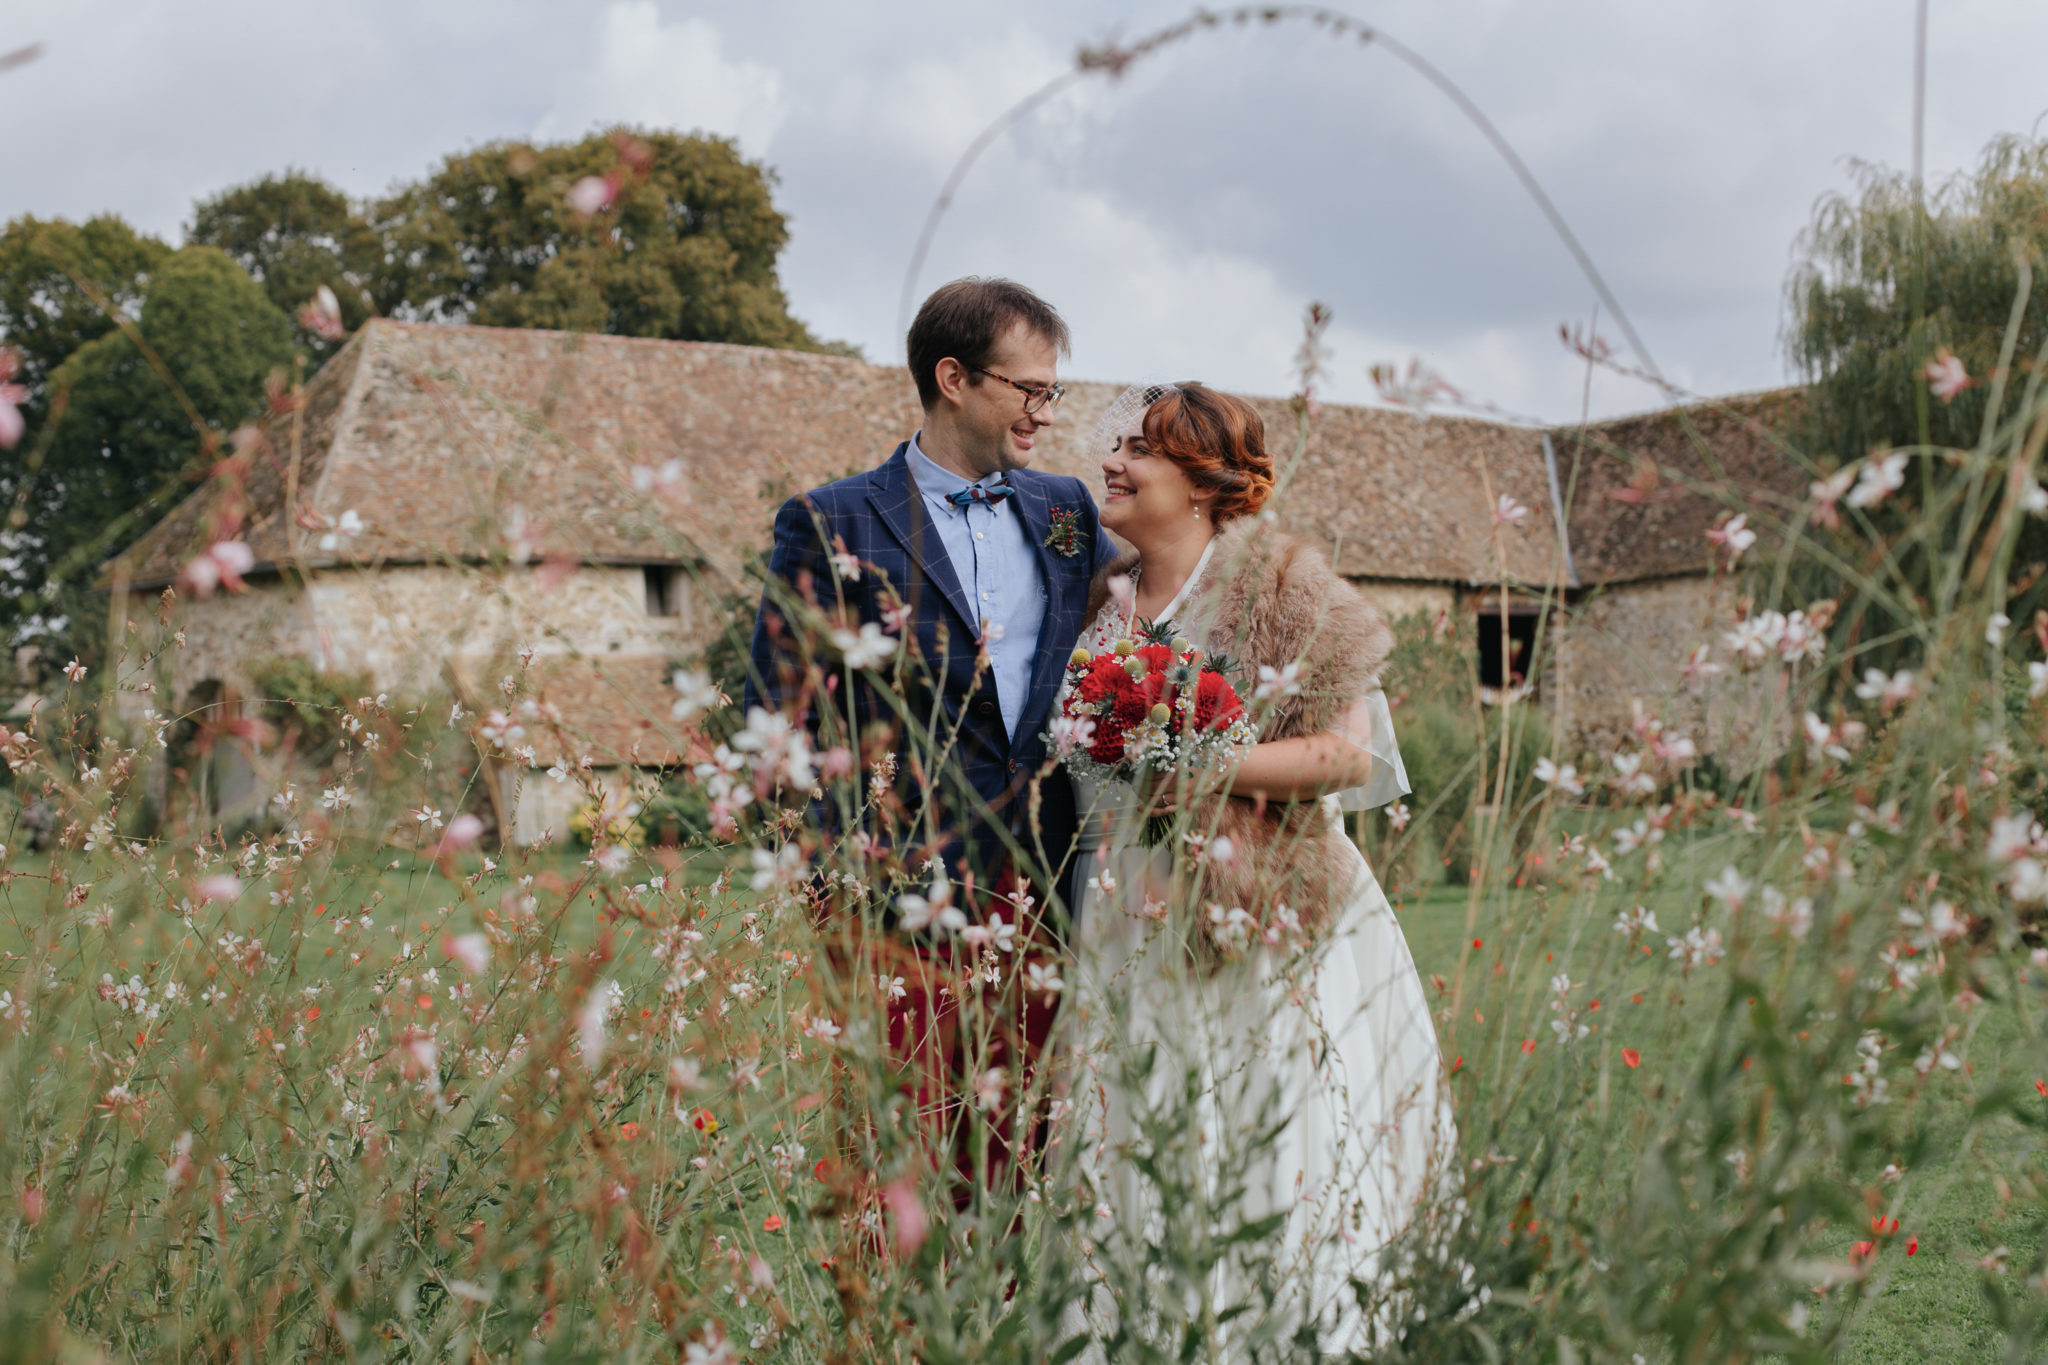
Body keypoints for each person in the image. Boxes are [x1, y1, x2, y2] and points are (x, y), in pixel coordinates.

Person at [1057, 383, 1455, 1352]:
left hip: (1264, 913)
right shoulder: (1098, 596)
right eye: (1116, 443)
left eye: (1139, 449)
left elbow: (1349, 757)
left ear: (1200, 486)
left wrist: (1186, 759)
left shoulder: (1283, 587)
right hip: (1126, 920)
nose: (1112, 462)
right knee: (1142, 1140)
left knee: (1265, 1125)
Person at [744, 277, 1122, 1188]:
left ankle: (1001, 1327)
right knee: (898, 1149)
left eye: (1051, 390)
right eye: (1027, 388)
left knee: (1025, 1142)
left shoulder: (1066, 510)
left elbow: (1157, 606)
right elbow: (776, 720)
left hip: (1045, 882)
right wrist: (842, 879)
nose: (1043, 411)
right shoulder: (830, 521)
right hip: (895, 896)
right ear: (953, 377)